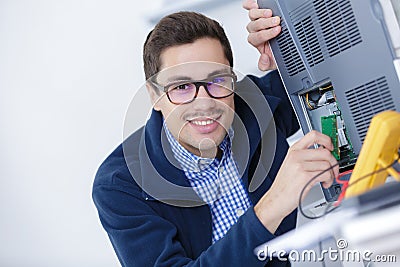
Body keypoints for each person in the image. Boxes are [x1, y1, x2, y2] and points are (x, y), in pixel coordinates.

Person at [92, 10, 338, 267]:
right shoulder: (120, 185)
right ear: (154, 96)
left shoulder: (257, 106)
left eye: (217, 81)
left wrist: (285, 46)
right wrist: (272, 206)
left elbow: (335, 50)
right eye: (181, 87)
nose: (205, 103)